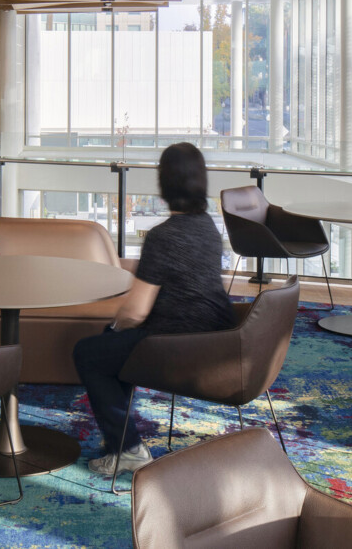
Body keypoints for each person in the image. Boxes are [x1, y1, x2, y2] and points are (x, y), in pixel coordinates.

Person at [73, 142, 235, 475]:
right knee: (113, 348)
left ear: (164, 184)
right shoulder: (209, 228)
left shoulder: (163, 236)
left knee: (88, 352)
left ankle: (127, 448)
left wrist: (116, 325)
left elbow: (136, 311)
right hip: (217, 340)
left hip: (173, 346)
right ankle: (120, 440)